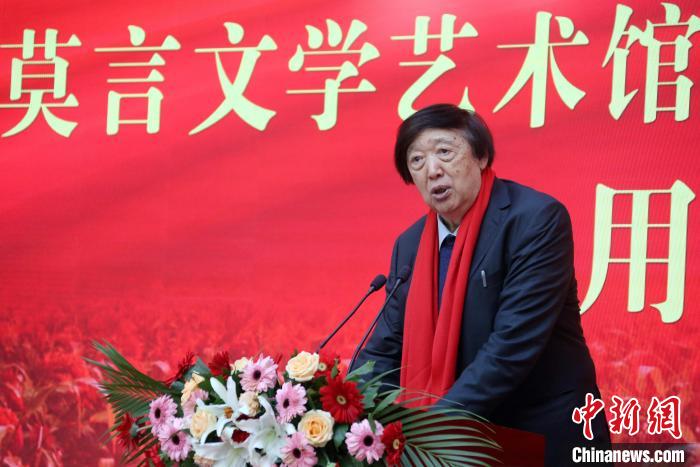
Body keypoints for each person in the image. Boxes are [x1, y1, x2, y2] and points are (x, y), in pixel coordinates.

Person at [353, 104, 610, 466]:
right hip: (461, 442)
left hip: (541, 433)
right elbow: (385, 348)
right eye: (417, 161)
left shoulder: (535, 220)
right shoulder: (410, 245)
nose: (432, 170)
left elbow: (511, 346)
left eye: (444, 151)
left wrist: (429, 432)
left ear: (482, 156)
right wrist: (346, 410)